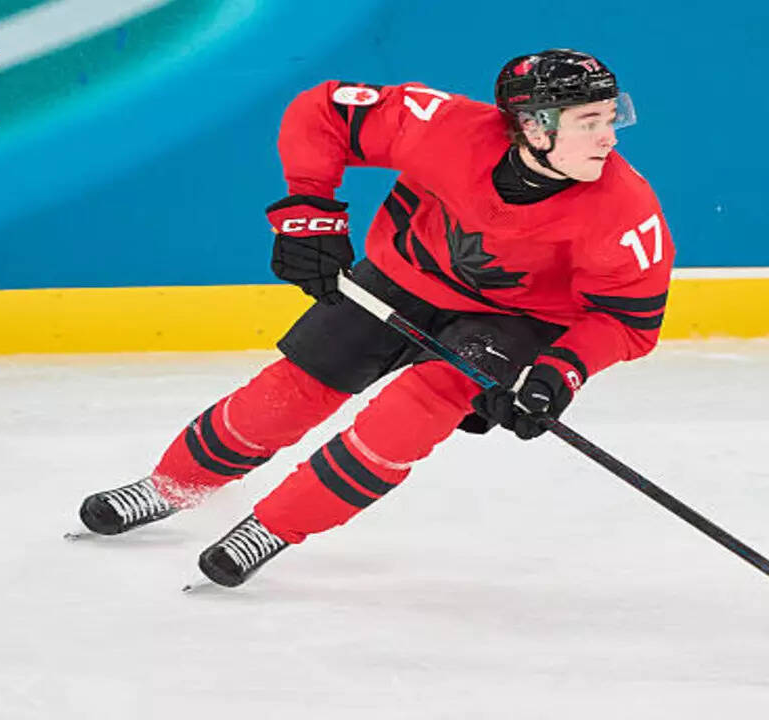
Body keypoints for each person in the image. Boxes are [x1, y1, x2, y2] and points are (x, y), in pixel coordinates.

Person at [75, 49, 675, 588]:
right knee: (289, 392)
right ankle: (170, 487)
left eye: (611, 116)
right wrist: (309, 209)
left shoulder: (624, 209)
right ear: (532, 126)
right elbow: (324, 112)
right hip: (398, 280)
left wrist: (556, 374)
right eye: (589, 122)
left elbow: (628, 323)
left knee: (402, 423)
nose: (610, 139)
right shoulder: (445, 127)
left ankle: (274, 527)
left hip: (511, 320)